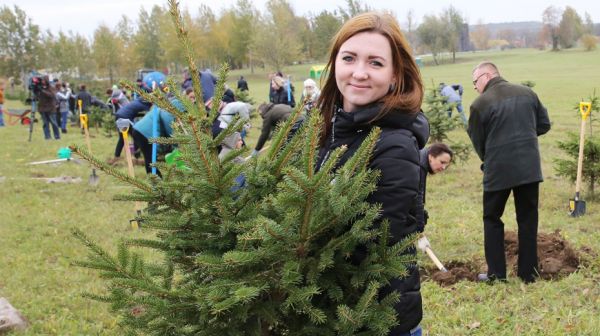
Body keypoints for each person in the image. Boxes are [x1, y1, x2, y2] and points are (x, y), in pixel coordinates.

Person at [315, 12, 429, 336]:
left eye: (376, 63)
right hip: (325, 318)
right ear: (335, 63)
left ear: (395, 75)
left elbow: (372, 243)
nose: (359, 73)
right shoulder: (323, 130)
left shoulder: (394, 146)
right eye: (349, 58)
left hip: (374, 320)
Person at [468, 61, 551, 284]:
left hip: (498, 172)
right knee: (527, 218)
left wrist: (493, 156)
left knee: (492, 218)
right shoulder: (528, 93)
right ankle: (528, 274)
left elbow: (478, 142)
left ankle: (496, 274)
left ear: (486, 76)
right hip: (529, 169)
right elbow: (544, 125)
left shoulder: (479, 104)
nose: (475, 87)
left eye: (475, 82)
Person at [416, 143, 453, 230]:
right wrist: (419, 226)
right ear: (431, 157)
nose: (443, 167)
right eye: (442, 162)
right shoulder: (419, 165)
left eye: (446, 165)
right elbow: (416, 196)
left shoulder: (421, 159)